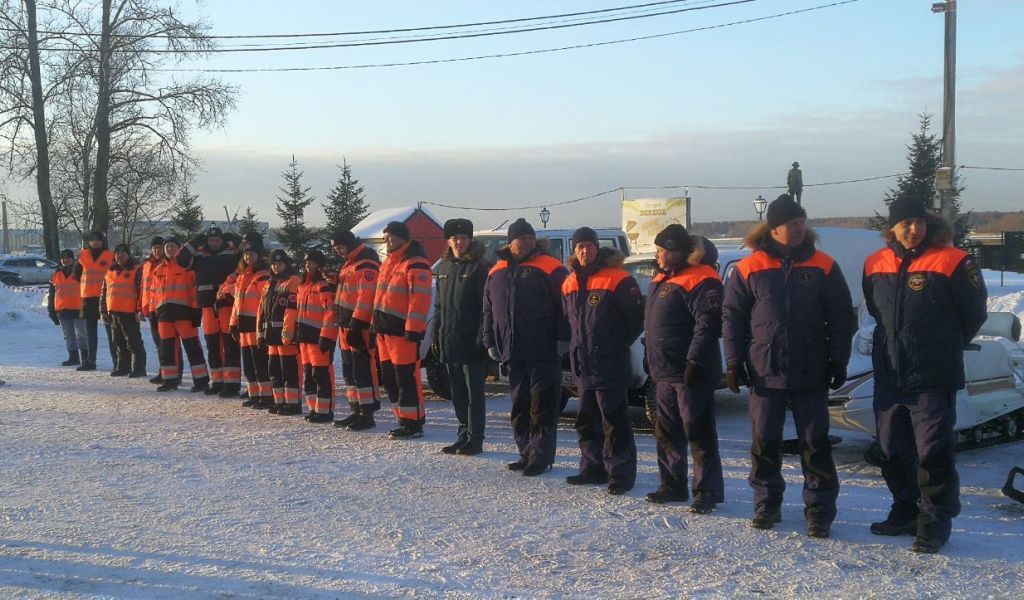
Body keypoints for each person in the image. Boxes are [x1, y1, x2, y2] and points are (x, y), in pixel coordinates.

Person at [723, 194, 856, 538]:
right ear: (774, 228)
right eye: (792, 224)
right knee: (765, 440)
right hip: (765, 371)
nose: (799, 229)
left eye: (801, 222)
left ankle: (819, 510)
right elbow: (733, 317)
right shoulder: (749, 267)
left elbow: (842, 317)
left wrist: (839, 359)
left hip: (812, 371)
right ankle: (766, 504)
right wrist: (734, 361)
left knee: (815, 443)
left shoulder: (824, 265)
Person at [863, 194, 988, 554]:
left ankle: (934, 521)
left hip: (933, 375)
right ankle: (905, 508)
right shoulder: (874, 263)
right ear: (892, 228)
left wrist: (944, 343)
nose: (914, 229)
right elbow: (876, 309)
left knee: (932, 451)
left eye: (918, 222)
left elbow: (973, 313)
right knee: (891, 448)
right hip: (890, 373)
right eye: (905, 224)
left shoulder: (953, 261)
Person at [644, 225, 725, 513]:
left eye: (663, 251)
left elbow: (708, 323)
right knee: (666, 431)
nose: (659, 255)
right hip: (664, 371)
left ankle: (707, 491)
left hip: (691, 371)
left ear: (679, 252)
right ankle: (672, 484)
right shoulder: (662, 277)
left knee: (699, 432)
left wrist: (694, 360)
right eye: (658, 250)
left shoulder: (702, 278)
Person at [562, 227, 644, 495]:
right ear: (574, 251)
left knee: (614, 421)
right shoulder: (569, 282)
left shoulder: (619, 279)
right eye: (580, 247)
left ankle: (620, 474)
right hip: (583, 364)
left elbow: (635, 320)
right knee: (586, 421)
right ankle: (592, 468)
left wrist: (615, 344)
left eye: (589, 245)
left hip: (609, 363)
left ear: (598, 248)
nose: (585, 251)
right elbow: (570, 323)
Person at [483, 218, 569, 476]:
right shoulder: (496, 271)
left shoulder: (551, 267)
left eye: (530, 238)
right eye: (522, 238)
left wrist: (562, 339)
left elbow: (566, 308)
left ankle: (540, 457)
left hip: (544, 350)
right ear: (510, 243)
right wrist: (489, 340)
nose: (527, 242)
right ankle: (525, 452)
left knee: (541, 405)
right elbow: (488, 310)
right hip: (512, 350)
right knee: (520, 404)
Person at [433, 218, 492, 455]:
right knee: (457, 392)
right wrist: (437, 335)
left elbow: (485, 309)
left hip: (471, 343)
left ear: (470, 240)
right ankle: (462, 433)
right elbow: (439, 307)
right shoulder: (444, 268)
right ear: (449, 241)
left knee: (473, 394)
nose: (459, 242)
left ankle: (475, 438)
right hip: (450, 340)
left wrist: (481, 339)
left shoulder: (479, 268)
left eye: (463, 238)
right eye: (455, 239)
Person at [371, 221, 433, 439]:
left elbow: (420, 300)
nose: (387, 240)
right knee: (389, 378)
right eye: (385, 236)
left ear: (403, 238)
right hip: (384, 331)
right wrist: (374, 325)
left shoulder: (415, 263)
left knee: (406, 378)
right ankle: (403, 419)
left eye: (391, 236)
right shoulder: (388, 263)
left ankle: (413, 423)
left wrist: (414, 330)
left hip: (402, 333)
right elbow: (380, 298)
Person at [177, 226, 240, 396]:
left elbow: (252, 254)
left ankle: (232, 384)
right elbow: (181, 260)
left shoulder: (233, 252)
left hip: (227, 304)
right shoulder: (199, 253)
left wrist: (236, 238)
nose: (214, 243)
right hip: (207, 306)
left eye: (217, 240)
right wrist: (195, 240)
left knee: (230, 345)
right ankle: (218, 381)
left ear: (222, 240)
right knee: (212, 346)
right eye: (211, 240)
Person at [331, 229, 382, 431]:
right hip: (346, 325)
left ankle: (367, 414)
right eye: (335, 249)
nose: (338, 252)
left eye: (340, 247)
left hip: (358, 326)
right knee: (349, 372)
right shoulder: (349, 264)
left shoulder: (365, 264)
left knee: (362, 370)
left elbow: (366, 297)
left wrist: (357, 324)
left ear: (349, 244)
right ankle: (356, 410)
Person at [154, 237, 210, 393]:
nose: (169, 249)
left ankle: (201, 380)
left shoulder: (187, 267)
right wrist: (155, 311)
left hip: (184, 312)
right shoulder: (158, 270)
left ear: (179, 249)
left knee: (192, 348)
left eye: (173, 246)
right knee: (167, 350)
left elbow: (194, 290)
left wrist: (195, 311)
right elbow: (155, 294)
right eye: (167, 247)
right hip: (164, 314)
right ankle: (169, 380)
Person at [230, 233, 273, 408]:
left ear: (259, 256)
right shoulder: (241, 276)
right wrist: (233, 323)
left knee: (260, 363)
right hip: (243, 326)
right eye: (246, 255)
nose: (248, 257)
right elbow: (237, 304)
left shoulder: (262, 276)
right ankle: (254, 395)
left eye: (252, 254)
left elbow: (265, 304)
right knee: (248, 364)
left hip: (256, 325)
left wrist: (263, 325)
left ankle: (266, 396)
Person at [257, 249, 302, 416]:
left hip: (284, 336)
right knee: (274, 369)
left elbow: (292, 310)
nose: (276, 266)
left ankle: (293, 403)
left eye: (280, 263)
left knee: (289, 370)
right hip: (270, 335)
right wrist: (259, 333)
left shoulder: (293, 281)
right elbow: (261, 311)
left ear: (286, 264)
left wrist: (288, 334)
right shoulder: (270, 283)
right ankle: (279, 401)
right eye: (274, 264)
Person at [295, 249, 337, 423]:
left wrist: (326, 337)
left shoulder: (323, 286)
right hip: (305, 337)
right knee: (309, 375)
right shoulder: (303, 286)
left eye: (311, 262)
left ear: (319, 265)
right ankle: (314, 409)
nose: (308, 265)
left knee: (321, 374)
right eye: (306, 262)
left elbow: (330, 313)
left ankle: (325, 411)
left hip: (319, 338)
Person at [100, 243, 146, 377]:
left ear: (128, 254)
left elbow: (140, 291)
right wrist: (103, 311)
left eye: (123, 253)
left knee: (133, 342)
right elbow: (104, 292)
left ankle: (139, 368)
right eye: (117, 253)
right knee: (118, 342)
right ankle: (123, 367)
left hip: (129, 312)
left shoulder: (136, 269)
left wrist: (139, 310)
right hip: (113, 312)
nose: (120, 255)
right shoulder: (110, 270)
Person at [141, 237, 180, 384]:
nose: (156, 250)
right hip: (151, 307)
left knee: (170, 344)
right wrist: (142, 306)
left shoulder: (167, 264)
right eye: (154, 248)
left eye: (159, 247)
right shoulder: (147, 265)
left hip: (164, 308)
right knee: (159, 344)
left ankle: (175, 372)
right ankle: (163, 370)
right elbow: (144, 288)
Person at [74, 231, 115, 371]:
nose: (95, 242)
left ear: (103, 241)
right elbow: (76, 275)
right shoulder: (83, 255)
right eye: (93, 240)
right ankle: (90, 361)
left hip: (106, 298)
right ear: (89, 242)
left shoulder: (110, 256)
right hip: (88, 298)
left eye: (98, 239)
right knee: (90, 332)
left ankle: (117, 361)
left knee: (112, 332)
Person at [48, 249, 88, 367]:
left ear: (73, 259)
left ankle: (86, 358)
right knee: (69, 335)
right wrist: (52, 311)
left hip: (79, 309)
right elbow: (52, 294)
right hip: (62, 309)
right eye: (63, 258)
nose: (65, 260)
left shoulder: (80, 271)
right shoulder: (55, 273)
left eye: (68, 258)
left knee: (82, 335)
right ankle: (73, 357)